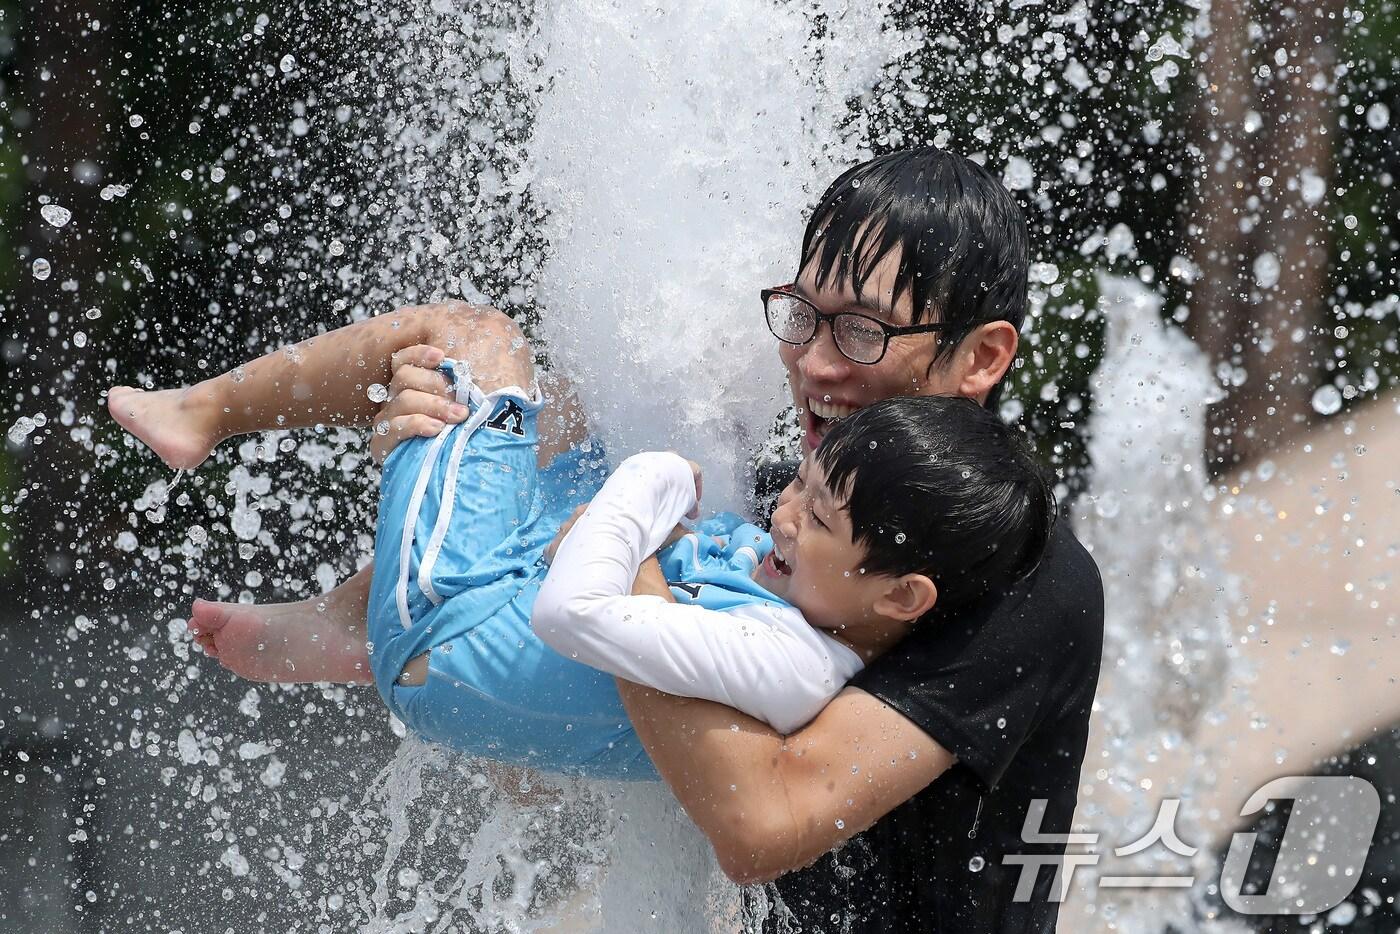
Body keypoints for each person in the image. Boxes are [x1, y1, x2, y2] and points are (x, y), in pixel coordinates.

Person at [175, 146, 1104, 930]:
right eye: (804, 316)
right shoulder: (795, 498)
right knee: (560, 416)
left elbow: (758, 820)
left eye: (864, 331)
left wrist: (623, 578)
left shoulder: (1023, 584)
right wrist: (438, 447)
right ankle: (361, 594)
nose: (816, 364)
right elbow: (565, 775)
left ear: (981, 357)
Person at [106, 303, 1054, 781]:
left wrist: (651, 480)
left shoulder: (782, 659)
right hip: (468, 645)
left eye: (817, 517)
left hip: (451, 615)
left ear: (902, 592)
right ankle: (344, 621)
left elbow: (578, 613)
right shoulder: (826, 629)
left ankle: (204, 411)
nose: (784, 515)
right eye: (799, 491)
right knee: (586, 415)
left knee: (470, 336)